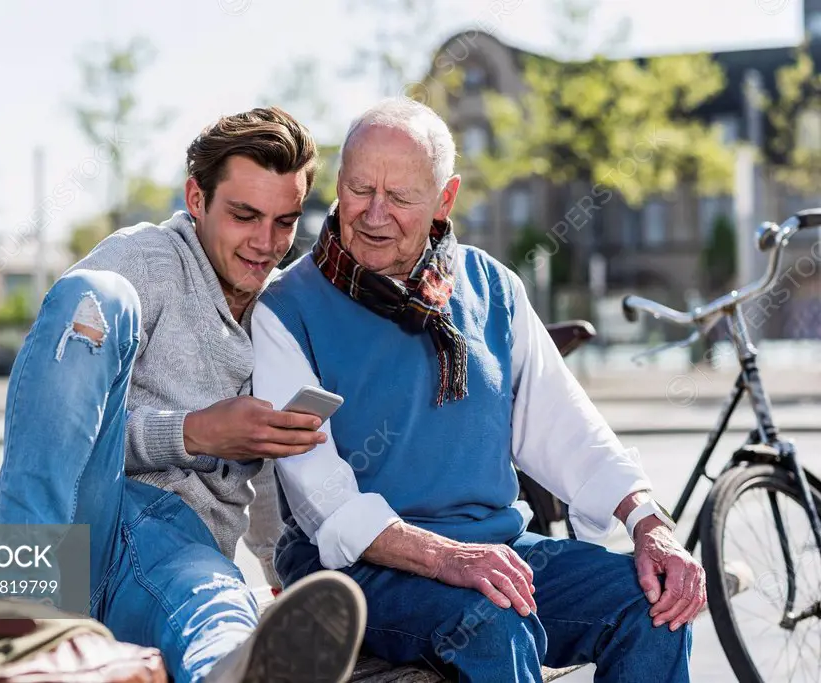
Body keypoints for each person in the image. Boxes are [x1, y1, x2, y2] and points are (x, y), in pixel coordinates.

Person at [250, 97, 706, 682]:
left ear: (445, 199)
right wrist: (449, 559)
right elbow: (324, 504)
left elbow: (568, 429)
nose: (373, 213)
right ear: (339, 182)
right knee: (493, 620)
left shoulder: (493, 287)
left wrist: (650, 522)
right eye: (360, 189)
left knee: (653, 604)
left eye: (402, 197)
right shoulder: (286, 309)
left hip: (495, 554)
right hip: (353, 576)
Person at [0, 106, 366, 683]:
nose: (266, 244)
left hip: (182, 551)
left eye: (284, 223)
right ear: (196, 198)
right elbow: (56, 406)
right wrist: (194, 431)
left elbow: (266, 469)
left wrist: (274, 565)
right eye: (244, 215)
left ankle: (232, 668)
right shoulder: (146, 261)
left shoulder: (282, 311)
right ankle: (13, 608)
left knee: (217, 606)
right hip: (90, 518)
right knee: (94, 295)